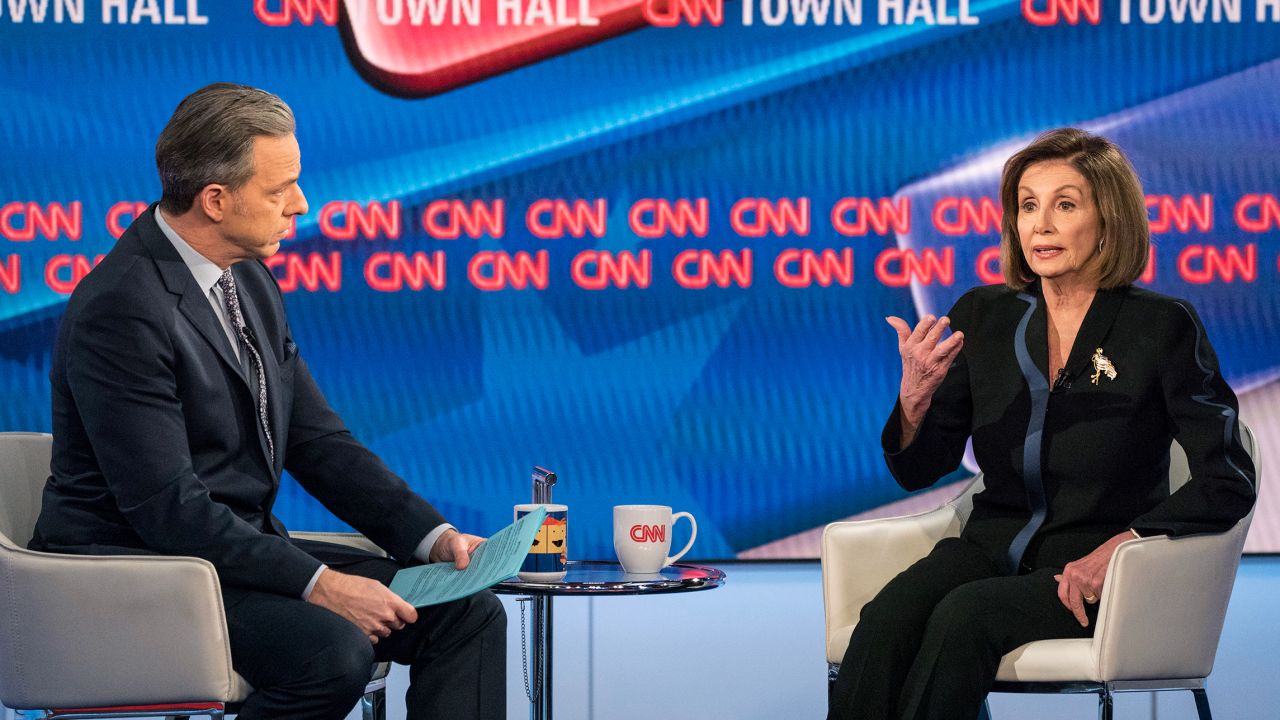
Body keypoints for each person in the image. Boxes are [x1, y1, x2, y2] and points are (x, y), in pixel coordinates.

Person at [29, 83, 505, 720]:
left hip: (227, 555)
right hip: (143, 570)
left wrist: (433, 538)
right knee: (332, 653)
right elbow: (167, 509)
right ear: (217, 200)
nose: (300, 205)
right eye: (280, 190)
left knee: (465, 611)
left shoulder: (247, 276)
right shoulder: (122, 308)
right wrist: (322, 585)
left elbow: (316, 442)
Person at [827, 128, 1256, 720]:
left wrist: (1125, 548)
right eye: (1028, 205)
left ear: (1108, 218)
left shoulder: (1160, 328)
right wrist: (914, 404)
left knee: (964, 617)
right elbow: (919, 469)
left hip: (1090, 570)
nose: (1040, 225)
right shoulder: (983, 315)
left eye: (1065, 204)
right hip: (986, 547)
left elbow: (1228, 479)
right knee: (885, 621)